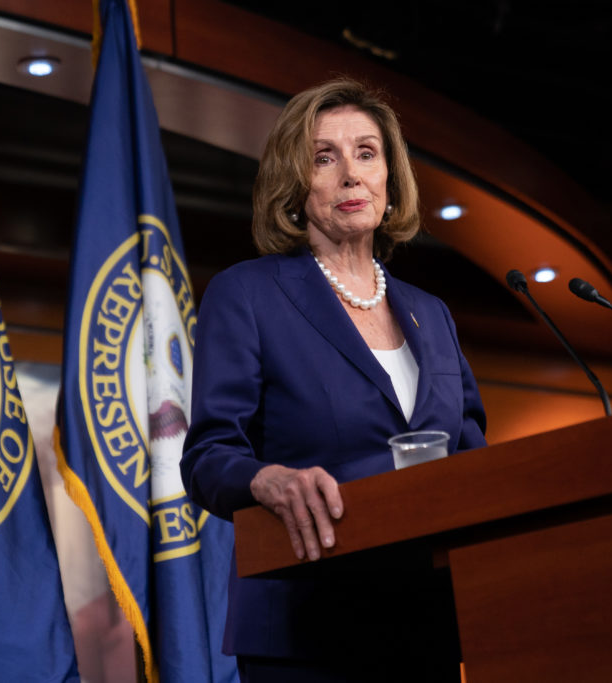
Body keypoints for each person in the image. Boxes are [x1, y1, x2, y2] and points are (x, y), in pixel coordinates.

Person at [180, 78, 487, 682]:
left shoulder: (433, 312)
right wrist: (266, 479)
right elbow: (209, 455)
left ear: (389, 179)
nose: (351, 174)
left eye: (367, 153)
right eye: (325, 157)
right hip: (306, 627)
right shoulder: (247, 294)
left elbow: (473, 461)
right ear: (294, 187)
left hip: (426, 624)